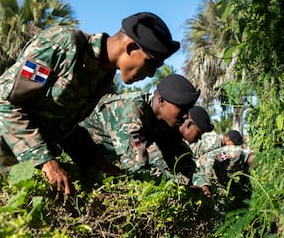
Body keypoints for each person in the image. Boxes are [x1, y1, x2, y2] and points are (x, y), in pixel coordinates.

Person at [0, 12, 180, 195]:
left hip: (24, 166)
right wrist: (45, 160)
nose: (151, 74)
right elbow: (4, 102)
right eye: (151, 64)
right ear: (130, 47)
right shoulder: (64, 44)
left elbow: (64, 127)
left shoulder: (103, 78)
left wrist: (97, 162)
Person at [75, 74, 208, 188]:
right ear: (162, 101)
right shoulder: (130, 111)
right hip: (86, 159)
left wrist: (201, 182)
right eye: (182, 109)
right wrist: (178, 184)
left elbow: (181, 155)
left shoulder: (165, 120)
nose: (186, 116)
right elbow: (137, 168)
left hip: (111, 164)